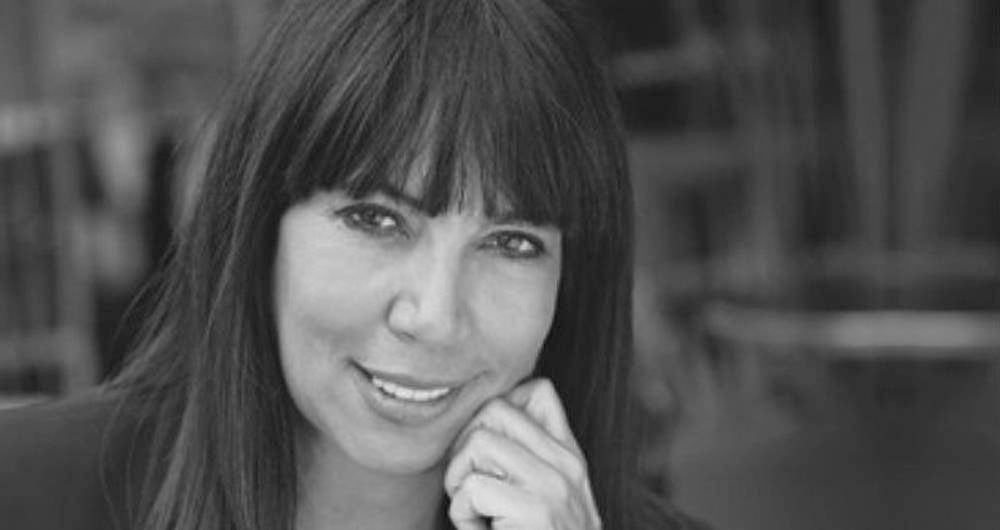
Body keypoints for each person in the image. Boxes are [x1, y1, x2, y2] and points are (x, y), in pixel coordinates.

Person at [0, 0, 703, 528]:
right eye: (377, 220)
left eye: (511, 243)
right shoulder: (25, 492)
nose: (434, 316)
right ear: (259, 228)